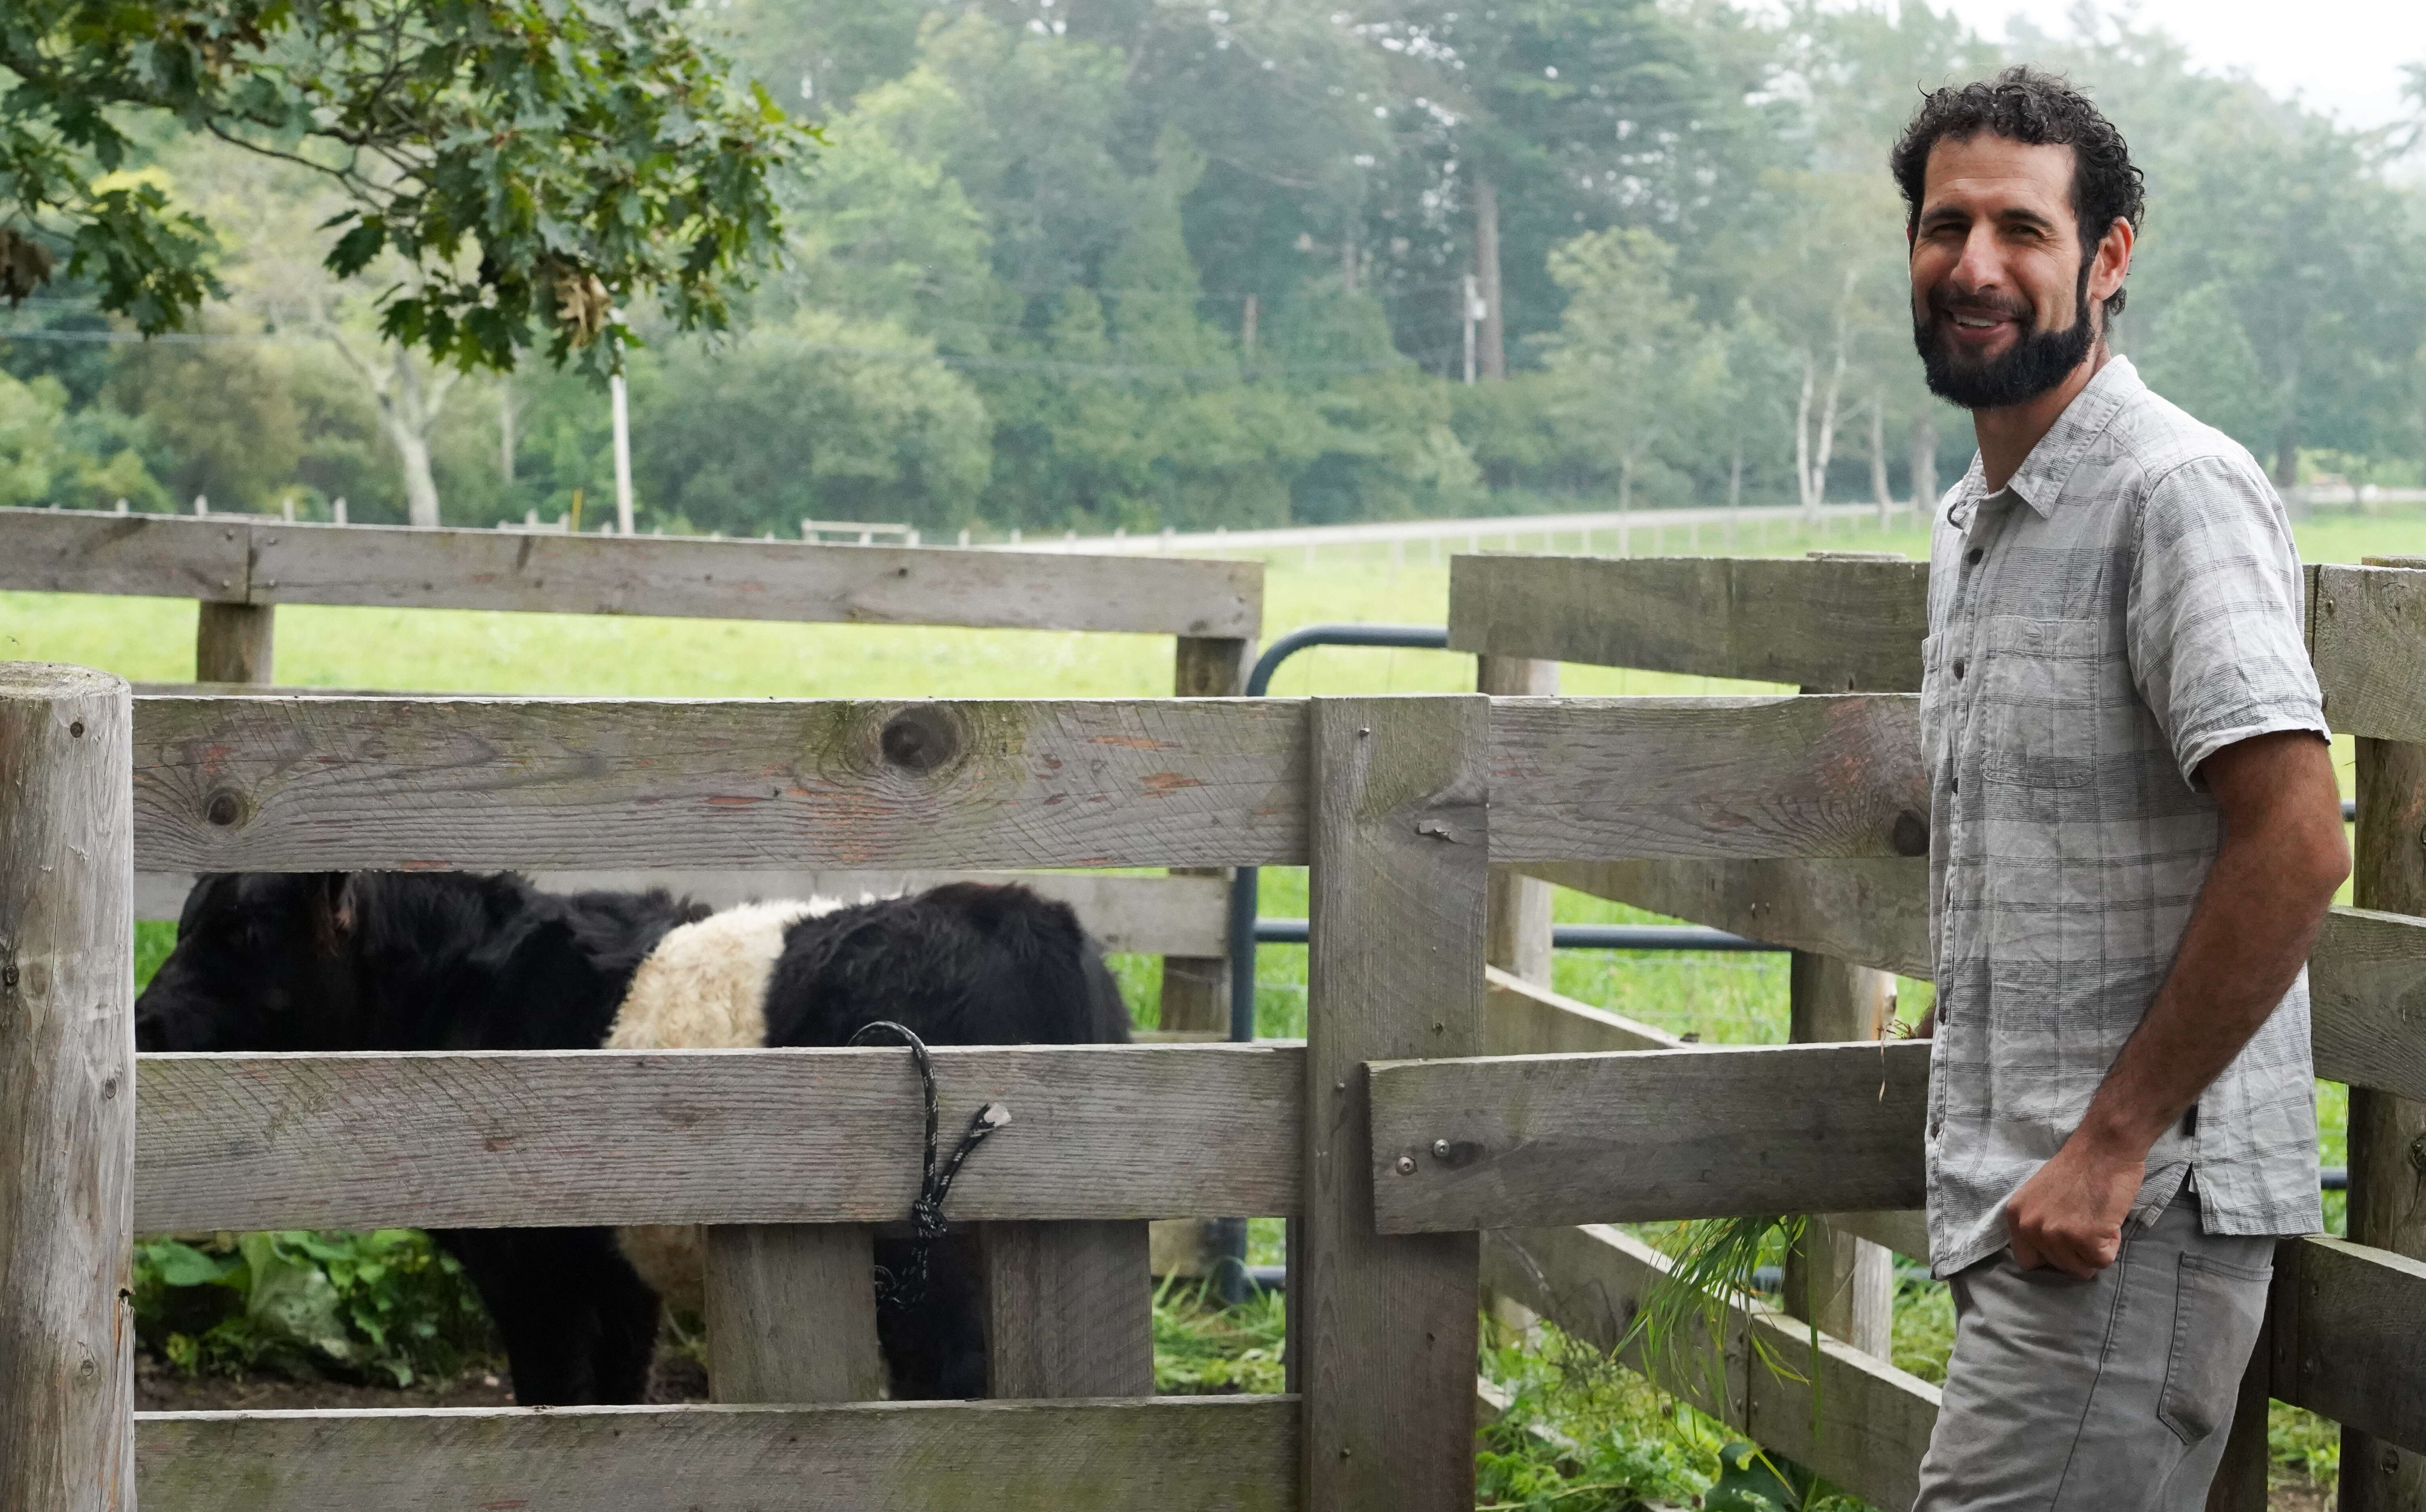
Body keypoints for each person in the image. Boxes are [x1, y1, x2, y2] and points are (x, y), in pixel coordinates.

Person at [1893, 66, 2350, 1510]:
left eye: (2022, 231)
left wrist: (2108, 1148)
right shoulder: (1978, 518)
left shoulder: (2171, 490)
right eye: (1944, 224)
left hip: (2127, 1214)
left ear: (2107, 257)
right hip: (2020, 1199)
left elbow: (2299, 837)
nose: (1975, 267)